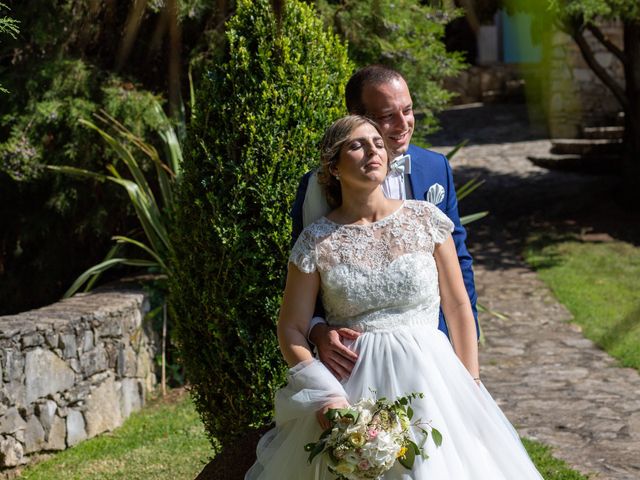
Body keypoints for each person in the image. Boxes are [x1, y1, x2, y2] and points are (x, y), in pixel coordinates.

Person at [245, 115, 543, 479]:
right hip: (354, 389)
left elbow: (458, 304)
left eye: (377, 143)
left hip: (434, 380)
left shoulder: (426, 220)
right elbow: (290, 327)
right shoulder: (316, 240)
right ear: (333, 167)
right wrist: (326, 395)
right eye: (357, 145)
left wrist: (471, 384)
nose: (372, 150)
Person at [291, 65, 478, 380]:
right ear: (357, 117)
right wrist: (318, 331)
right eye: (388, 115)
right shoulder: (315, 189)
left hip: (435, 355)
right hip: (355, 364)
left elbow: (459, 264)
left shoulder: (435, 168)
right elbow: (307, 273)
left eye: (408, 110)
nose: (403, 124)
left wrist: (466, 358)